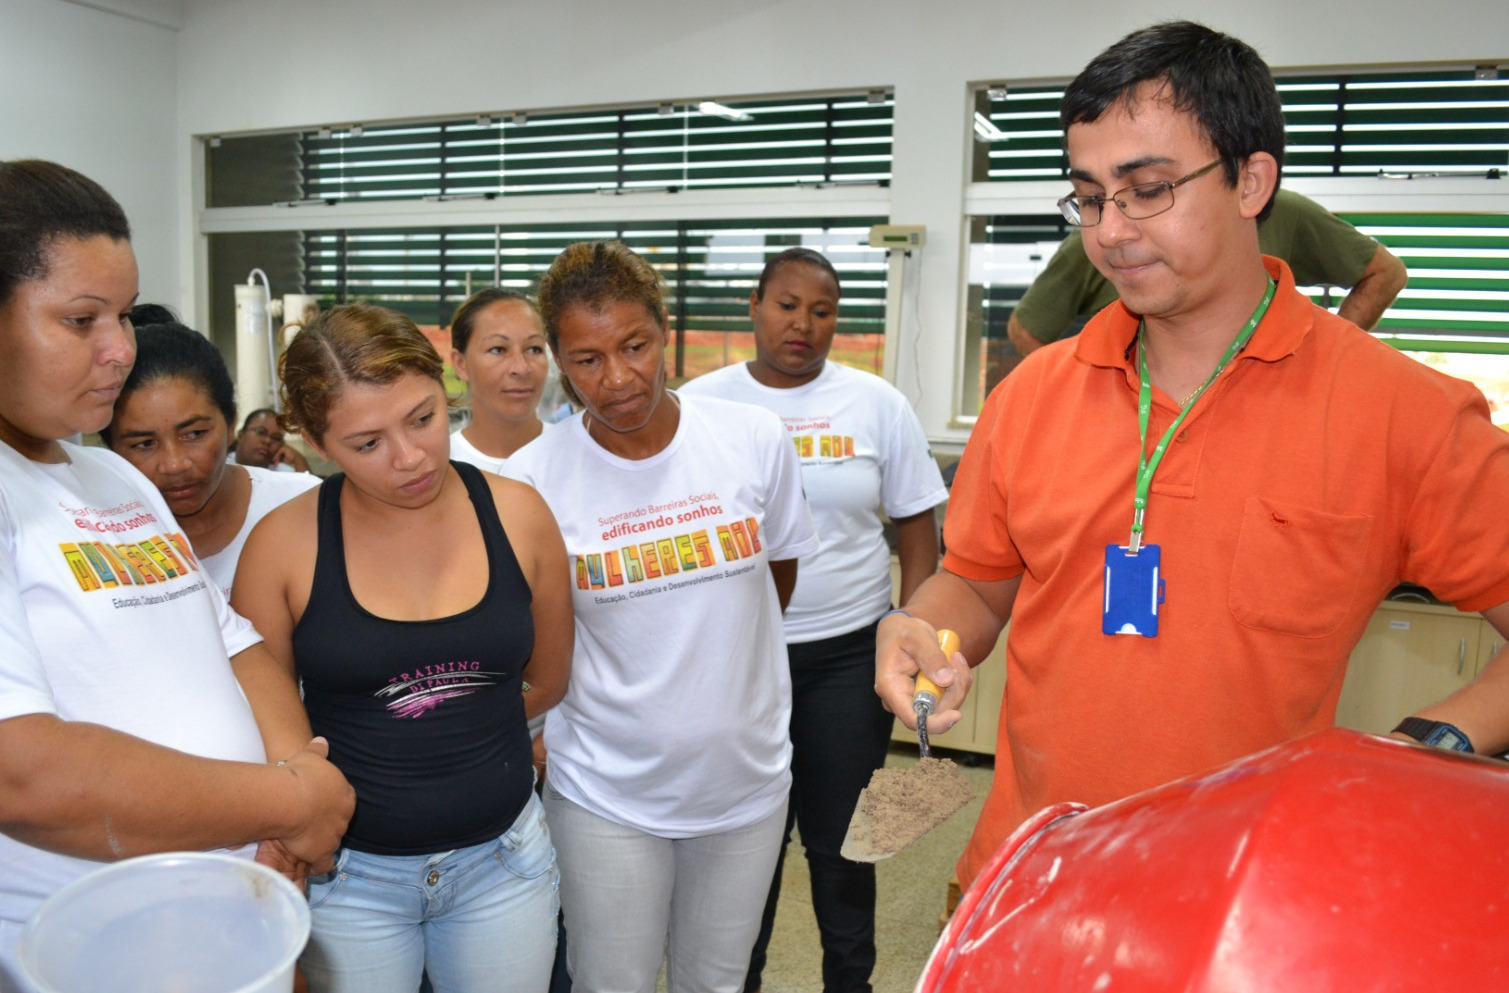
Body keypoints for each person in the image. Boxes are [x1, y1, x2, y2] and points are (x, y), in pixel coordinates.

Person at [875, 21, 1509, 892]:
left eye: (1147, 190)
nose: (1111, 231)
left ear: (1252, 181)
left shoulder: (1404, 413)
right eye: (1090, 197)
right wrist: (922, 627)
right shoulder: (1029, 396)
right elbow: (979, 586)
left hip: (1239, 898)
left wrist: (1422, 744)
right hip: (1026, 877)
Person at [0, 159, 353, 990]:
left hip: (231, 914)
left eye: (121, 314)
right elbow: (23, 770)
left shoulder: (112, 476)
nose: (120, 349)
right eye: (82, 319)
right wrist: (288, 804)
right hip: (97, 951)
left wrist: (286, 792)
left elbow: (231, 644)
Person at [504, 241, 819, 993]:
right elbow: (526, 639)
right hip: (607, 790)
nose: (615, 379)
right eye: (585, 360)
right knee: (611, 980)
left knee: (715, 983)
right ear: (557, 360)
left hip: (744, 784)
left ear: (664, 331)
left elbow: (775, 573)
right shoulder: (528, 480)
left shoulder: (749, 439)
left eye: (634, 346)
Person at [230, 303, 572, 993]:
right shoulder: (283, 545)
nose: (410, 457)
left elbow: (549, 676)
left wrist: (457, 734)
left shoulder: (519, 514)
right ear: (316, 439)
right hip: (348, 878)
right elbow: (260, 716)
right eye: (367, 443)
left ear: (442, 385)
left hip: (502, 861)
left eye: (422, 418)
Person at [680, 247, 946, 993]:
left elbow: (915, 528)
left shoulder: (875, 403)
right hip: (737, 663)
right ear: (755, 308)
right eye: (787, 304)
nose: (803, 323)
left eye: (822, 310)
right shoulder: (701, 402)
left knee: (844, 845)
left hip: (846, 659)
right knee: (743, 846)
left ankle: (849, 984)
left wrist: (911, 624)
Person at [1006, 187, 1408, 356]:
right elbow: (1027, 328)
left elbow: (1384, 272)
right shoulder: (1102, 238)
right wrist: (1088, 397)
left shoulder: (1281, 213)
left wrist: (1325, 357)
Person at [101, 321, 318, 600]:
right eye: (144, 444)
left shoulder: (304, 506)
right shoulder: (99, 536)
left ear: (231, 422)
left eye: (194, 434)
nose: (175, 464)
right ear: (111, 447)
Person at [449, 287, 552, 474]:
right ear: (461, 364)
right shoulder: (439, 469)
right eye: (498, 349)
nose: (521, 368)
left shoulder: (579, 456)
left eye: (534, 349)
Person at [231, 406, 310, 472]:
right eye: (261, 432)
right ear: (241, 435)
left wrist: (298, 458)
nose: (267, 441)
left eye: (276, 438)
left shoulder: (283, 474)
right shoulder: (222, 466)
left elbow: (313, 487)